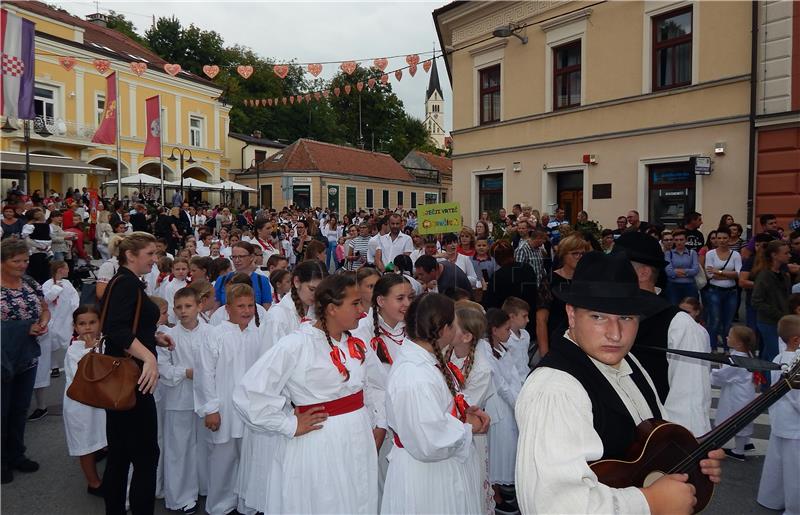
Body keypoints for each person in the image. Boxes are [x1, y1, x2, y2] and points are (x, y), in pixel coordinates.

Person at [515, 251, 724, 514]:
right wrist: (648, 502)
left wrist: (690, 461)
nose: (615, 334)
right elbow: (552, 504)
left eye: (626, 318)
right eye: (598, 317)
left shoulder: (630, 363)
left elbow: (644, 449)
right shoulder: (555, 390)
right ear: (571, 314)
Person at [234, 273, 381, 514]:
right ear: (332, 308)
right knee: (323, 500)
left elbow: (377, 384)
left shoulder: (355, 343)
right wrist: (288, 424)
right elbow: (249, 393)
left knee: (357, 498)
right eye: (354, 303)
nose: (362, 310)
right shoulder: (296, 344)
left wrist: (377, 422)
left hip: (357, 437)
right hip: (319, 441)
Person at [381, 293, 491, 514]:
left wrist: (463, 411)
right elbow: (428, 440)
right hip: (426, 475)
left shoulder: (429, 359)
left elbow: (438, 409)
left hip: (440, 468)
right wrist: (468, 427)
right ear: (442, 330)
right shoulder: (414, 375)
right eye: (454, 322)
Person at [101, 232, 175, 515]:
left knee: (121, 454)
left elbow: (127, 327)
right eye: (150, 255)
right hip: (132, 378)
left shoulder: (127, 282)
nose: (155, 260)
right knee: (144, 456)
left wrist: (153, 338)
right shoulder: (126, 284)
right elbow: (116, 329)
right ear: (131, 256)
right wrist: (149, 358)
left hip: (128, 374)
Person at [615, 231, 712, 437]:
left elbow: (689, 404)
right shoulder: (605, 315)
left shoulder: (679, 325)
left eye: (617, 267)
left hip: (651, 446)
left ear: (643, 273)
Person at [195, 283, 268, 515]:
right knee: (223, 460)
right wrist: (211, 409)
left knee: (250, 458)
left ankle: (247, 504)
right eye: (240, 306)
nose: (246, 311)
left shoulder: (258, 334)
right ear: (228, 308)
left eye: (250, 306)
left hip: (250, 409)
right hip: (224, 407)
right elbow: (205, 374)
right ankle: (219, 506)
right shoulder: (215, 336)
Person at [0, 238, 50, 484]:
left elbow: (44, 308)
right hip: (2, 357)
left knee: (20, 408)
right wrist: (23, 328)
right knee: (2, 410)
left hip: (26, 355)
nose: (22, 265)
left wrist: (42, 323)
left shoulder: (30, 282)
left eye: (25, 260)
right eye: (16, 261)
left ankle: (16, 454)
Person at [158, 287, 211, 515]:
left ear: (199, 306)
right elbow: (163, 369)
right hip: (178, 400)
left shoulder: (212, 333)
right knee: (179, 448)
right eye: (178, 307)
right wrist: (185, 373)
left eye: (188, 306)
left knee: (205, 446)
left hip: (206, 400)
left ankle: (205, 486)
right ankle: (181, 496)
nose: (183, 311)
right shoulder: (168, 335)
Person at [757, 314, 800, 514]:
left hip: (780, 419)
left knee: (777, 463)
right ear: (796, 339)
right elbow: (797, 397)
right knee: (795, 472)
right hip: (794, 425)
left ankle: (771, 498)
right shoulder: (797, 363)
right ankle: (793, 508)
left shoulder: (779, 357)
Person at [480, 308, 522, 511]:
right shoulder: (485, 351)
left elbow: (513, 376)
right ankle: (495, 492)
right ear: (494, 330)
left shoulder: (501, 347)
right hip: (498, 405)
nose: (510, 333)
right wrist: (518, 404)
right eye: (507, 329)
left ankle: (501, 487)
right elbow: (501, 385)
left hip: (509, 403)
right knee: (497, 450)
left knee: (506, 448)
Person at [62, 305, 106, 497]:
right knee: (85, 444)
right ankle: (93, 482)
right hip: (81, 406)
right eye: (82, 324)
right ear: (75, 327)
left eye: (92, 322)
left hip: (102, 403)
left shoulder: (105, 342)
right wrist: (90, 350)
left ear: (100, 323)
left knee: (104, 436)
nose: (87, 327)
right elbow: (86, 375)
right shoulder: (74, 349)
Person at [29, 261, 79, 422]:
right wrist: (56, 287)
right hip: (48, 326)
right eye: (66, 267)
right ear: (59, 270)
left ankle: (73, 394)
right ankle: (41, 404)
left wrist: (74, 319)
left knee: (67, 354)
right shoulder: (47, 284)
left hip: (66, 323)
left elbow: (74, 301)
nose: (68, 270)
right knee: (43, 363)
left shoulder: (69, 284)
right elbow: (47, 300)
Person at [536, 234, 591, 356]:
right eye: (575, 253)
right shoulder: (551, 280)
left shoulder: (587, 280)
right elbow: (541, 319)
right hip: (557, 342)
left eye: (582, 254)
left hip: (584, 343)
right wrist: (545, 353)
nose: (579, 257)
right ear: (564, 255)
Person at [710, 325, 757, 461]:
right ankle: (746, 443)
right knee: (744, 419)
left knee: (734, 420)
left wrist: (712, 374)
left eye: (730, 336)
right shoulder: (747, 354)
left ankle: (739, 450)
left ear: (739, 343)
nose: (726, 337)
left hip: (736, 395)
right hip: (745, 392)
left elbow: (723, 375)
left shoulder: (736, 360)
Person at [752, 240, 793, 362]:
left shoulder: (784, 275)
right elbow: (756, 301)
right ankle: (770, 380)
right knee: (774, 355)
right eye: (786, 253)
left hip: (781, 320)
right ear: (774, 255)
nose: (789, 255)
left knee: (767, 355)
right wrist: (778, 314)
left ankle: (762, 379)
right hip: (768, 321)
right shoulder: (764, 276)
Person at [703, 227, 742, 351]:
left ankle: (726, 348)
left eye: (725, 238)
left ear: (729, 239)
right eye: (719, 238)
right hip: (714, 291)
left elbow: (739, 274)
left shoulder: (735, 254)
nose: (722, 240)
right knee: (714, 320)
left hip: (731, 292)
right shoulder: (710, 254)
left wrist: (718, 271)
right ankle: (712, 347)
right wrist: (728, 273)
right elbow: (709, 274)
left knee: (728, 322)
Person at [213, 242, 272, 310]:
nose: (237, 260)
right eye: (234, 257)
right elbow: (215, 309)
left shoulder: (261, 280)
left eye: (241, 256)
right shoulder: (222, 280)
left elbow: (266, 309)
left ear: (251, 257)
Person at [664, 229, 700, 305]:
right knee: (674, 309)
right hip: (673, 286)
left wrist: (678, 271)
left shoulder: (692, 253)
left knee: (690, 309)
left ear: (686, 240)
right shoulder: (669, 254)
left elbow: (695, 270)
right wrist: (688, 272)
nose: (679, 242)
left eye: (681, 240)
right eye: (676, 240)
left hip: (690, 286)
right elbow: (669, 271)